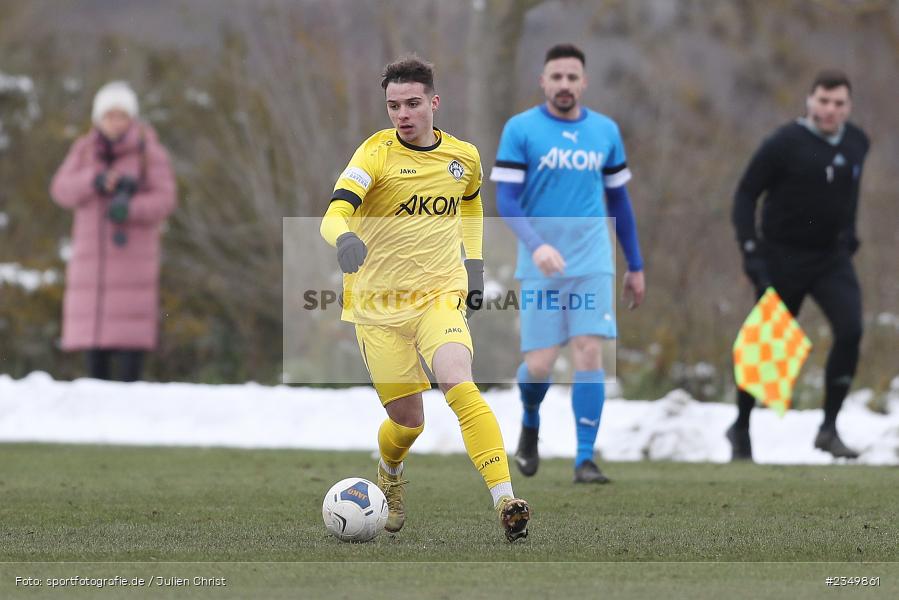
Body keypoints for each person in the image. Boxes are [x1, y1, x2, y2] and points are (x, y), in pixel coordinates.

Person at [319, 57, 530, 542]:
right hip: (379, 310)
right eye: (393, 106)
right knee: (408, 422)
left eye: (413, 104)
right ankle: (389, 472)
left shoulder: (464, 157)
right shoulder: (373, 155)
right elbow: (333, 214)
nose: (403, 114)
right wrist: (344, 239)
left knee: (459, 383)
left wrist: (474, 265)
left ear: (434, 102)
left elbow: (473, 202)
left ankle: (505, 500)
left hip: (440, 296)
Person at [490, 44, 646, 484]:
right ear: (543, 82)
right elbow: (505, 198)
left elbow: (620, 200)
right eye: (555, 77)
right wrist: (536, 245)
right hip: (541, 262)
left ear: (584, 82)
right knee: (539, 365)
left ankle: (584, 458)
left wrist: (635, 264)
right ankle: (530, 419)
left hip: (593, 259)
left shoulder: (605, 131)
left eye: (571, 77)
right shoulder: (521, 129)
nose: (564, 84)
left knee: (589, 351)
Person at [727, 69, 870, 461]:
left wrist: (849, 231)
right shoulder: (783, 143)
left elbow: (849, 188)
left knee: (851, 329)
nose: (830, 110)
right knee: (766, 350)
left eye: (839, 103)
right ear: (809, 101)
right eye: (823, 101)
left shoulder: (857, 142)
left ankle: (829, 428)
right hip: (782, 257)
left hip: (830, 259)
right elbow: (744, 195)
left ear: (849, 106)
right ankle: (740, 429)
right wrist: (751, 251)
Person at [50, 81, 177, 382]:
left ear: (131, 117)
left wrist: (129, 208)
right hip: (91, 268)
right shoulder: (83, 152)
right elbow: (60, 189)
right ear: (98, 117)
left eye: (121, 115)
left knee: (130, 347)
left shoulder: (149, 153)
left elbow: (165, 198)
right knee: (94, 359)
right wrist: (93, 182)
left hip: (133, 263)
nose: (115, 121)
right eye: (109, 115)